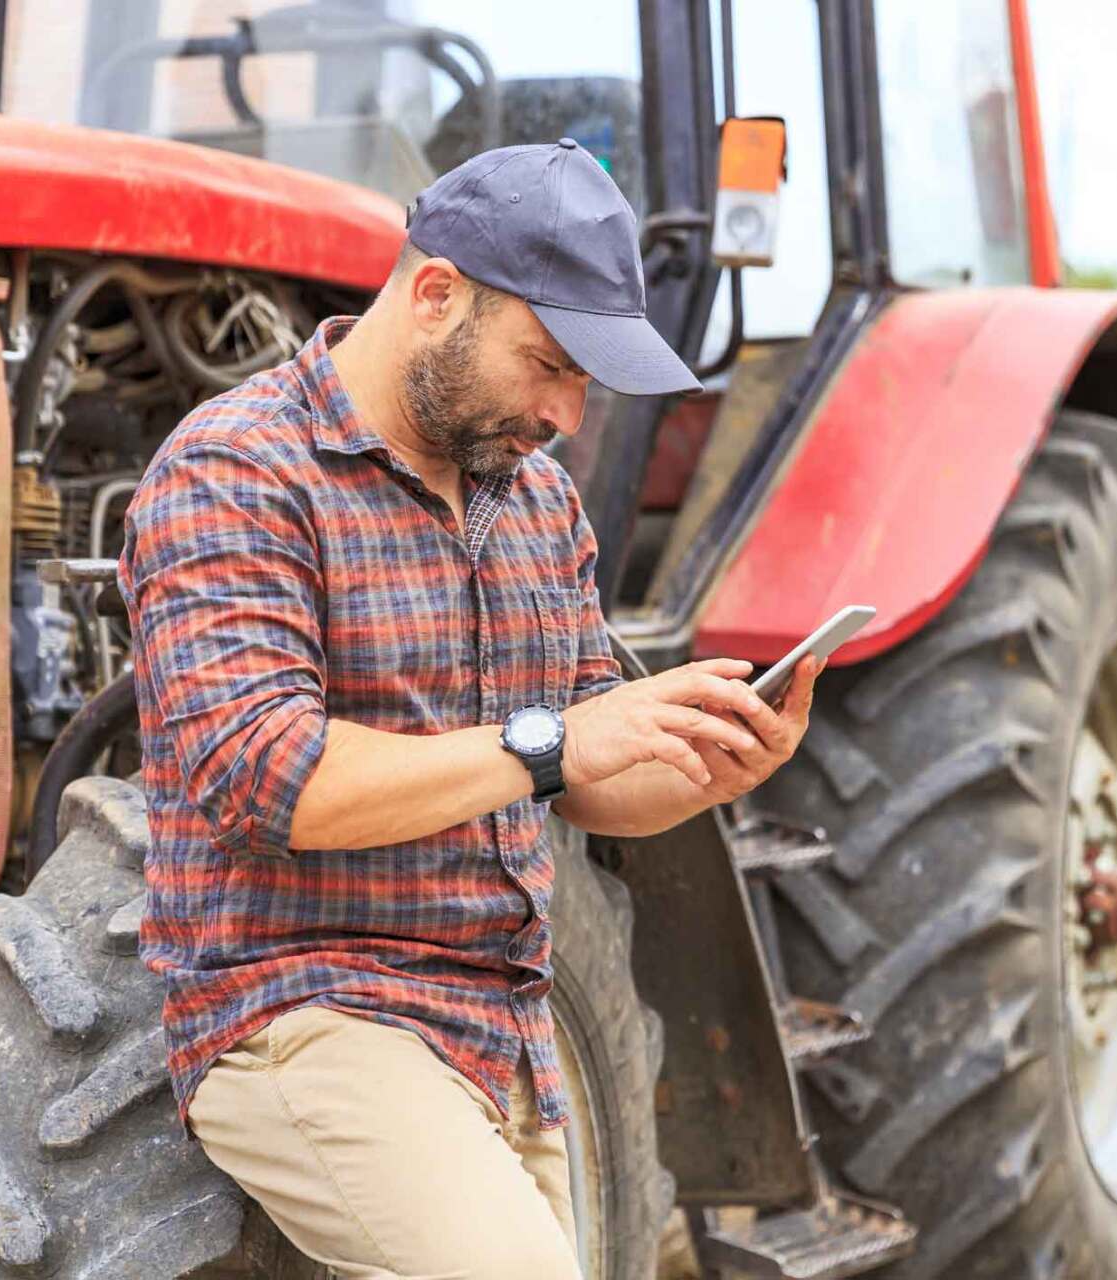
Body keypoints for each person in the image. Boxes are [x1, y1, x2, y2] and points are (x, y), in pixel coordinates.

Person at [119, 139, 820, 1279]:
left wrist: (712, 761)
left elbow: (585, 777)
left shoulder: (536, 499)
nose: (566, 414)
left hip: (506, 1034)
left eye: (584, 382)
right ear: (435, 292)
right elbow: (267, 778)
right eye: (546, 364)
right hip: (308, 1007)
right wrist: (556, 737)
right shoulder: (236, 470)